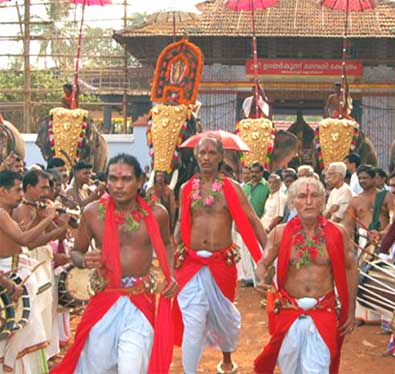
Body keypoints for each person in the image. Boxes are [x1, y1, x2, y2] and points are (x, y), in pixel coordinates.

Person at [51, 153, 177, 374]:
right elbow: (77, 252)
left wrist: (171, 273)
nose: (118, 185)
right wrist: (84, 260)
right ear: (106, 181)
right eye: (113, 179)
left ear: (139, 182)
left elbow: (167, 244)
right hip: (103, 300)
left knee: (132, 367)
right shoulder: (92, 214)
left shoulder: (158, 214)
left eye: (126, 179)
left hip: (139, 300)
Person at [173, 136, 267, 374]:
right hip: (191, 264)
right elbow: (181, 223)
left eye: (211, 153)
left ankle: (227, 358)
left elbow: (253, 222)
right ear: (196, 156)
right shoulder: (186, 189)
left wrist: (267, 257)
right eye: (202, 153)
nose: (206, 157)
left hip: (221, 264)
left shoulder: (232, 189)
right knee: (193, 322)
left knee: (224, 316)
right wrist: (173, 250)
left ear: (220, 157)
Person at [254, 177, 357, 373]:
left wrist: (350, 309)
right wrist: (260, 279)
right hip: (288, 311)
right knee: (289, 369)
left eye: (314, 195)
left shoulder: (338, 233)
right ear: (292, 202)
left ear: (323, 200)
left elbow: (351, 267)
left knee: (317, 369)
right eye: (302, 196)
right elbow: (263, 263)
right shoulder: (279, 233)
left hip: (323, 311)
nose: (308, 201)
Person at [0, 170, 61, 373]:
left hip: (15, 272)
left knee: (21, 332)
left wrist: (39, 219)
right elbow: (24, 240)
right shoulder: (0, 213)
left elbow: (24, 238)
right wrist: (50, 218)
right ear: (2, 191)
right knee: (20, 333)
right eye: (17, 190)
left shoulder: (5, 214)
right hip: (9, 276)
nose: (20, 195)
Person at [342, 164, 393, 323]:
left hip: (385, 239)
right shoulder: (355, 200)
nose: (363, 181)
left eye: (366, 178)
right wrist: (348, 244)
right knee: (362, 274)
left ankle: (385, 318)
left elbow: (394, 218)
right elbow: (348, 225)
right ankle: (363, 316)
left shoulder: (386, 196)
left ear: (374, 178)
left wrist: (383, 234)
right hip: (364, 241)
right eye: (360, 178)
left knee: (385, 275)